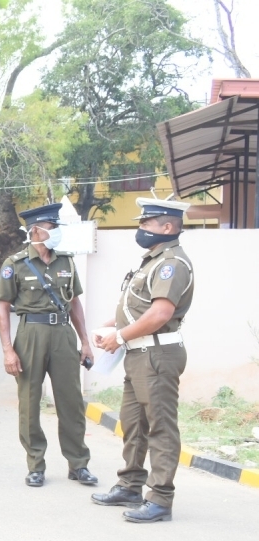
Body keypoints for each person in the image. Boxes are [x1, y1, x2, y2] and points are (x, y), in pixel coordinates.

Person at [91, 197, 194, 523]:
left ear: (167, 227)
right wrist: (112, 326)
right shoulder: (152, 261)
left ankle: (160, 499)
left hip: (156, 354)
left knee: (160, 427)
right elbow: (140, 308)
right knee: (133, 423)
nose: (141, 228)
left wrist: (120, 336)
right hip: (139, 354)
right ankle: (130, 484)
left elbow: (161, 313)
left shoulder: (172, 264)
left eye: (146, 223)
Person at [0, 203, 97, 488]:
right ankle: (35, 465)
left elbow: (74, 302)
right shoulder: (14, 264)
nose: (58, 234)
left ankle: (78, 464)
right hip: (31, 333)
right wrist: (7, 349)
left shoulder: (66, 261)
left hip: (63, 334)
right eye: (53, 228)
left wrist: (85, 342)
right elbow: (3, 309)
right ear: (37, 231)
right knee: (29, 402)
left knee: (71, 402)